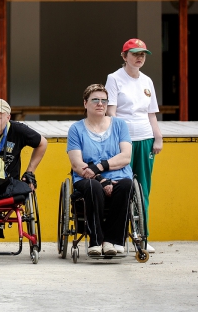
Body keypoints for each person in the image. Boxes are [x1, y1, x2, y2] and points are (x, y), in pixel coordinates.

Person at [106, 38, 162, 253]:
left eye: (142, 54)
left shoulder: (147, 80)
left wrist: (158, 138)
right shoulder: (114, 78)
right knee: (122, 186)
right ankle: (117, 236)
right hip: (123, 139)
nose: (139, 57)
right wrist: (115, 138)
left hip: (145, 138)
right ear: (124, 56)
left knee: (143, 188)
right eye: (134, 53)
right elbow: (111, 112)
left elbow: (151, 114)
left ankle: (142, 235)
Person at [67, 84, 133, 257]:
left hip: (119, 177)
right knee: (93, 187)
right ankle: (95, 241)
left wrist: (99, 166)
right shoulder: (76, 129)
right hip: (88, 179)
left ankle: (113, 240)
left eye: (104, 100)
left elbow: (126, 157)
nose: (100, 104)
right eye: (95, 100)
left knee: (127, 185)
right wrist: (100, 178)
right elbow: (76, 164)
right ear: (85, 103)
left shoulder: (119, 125)